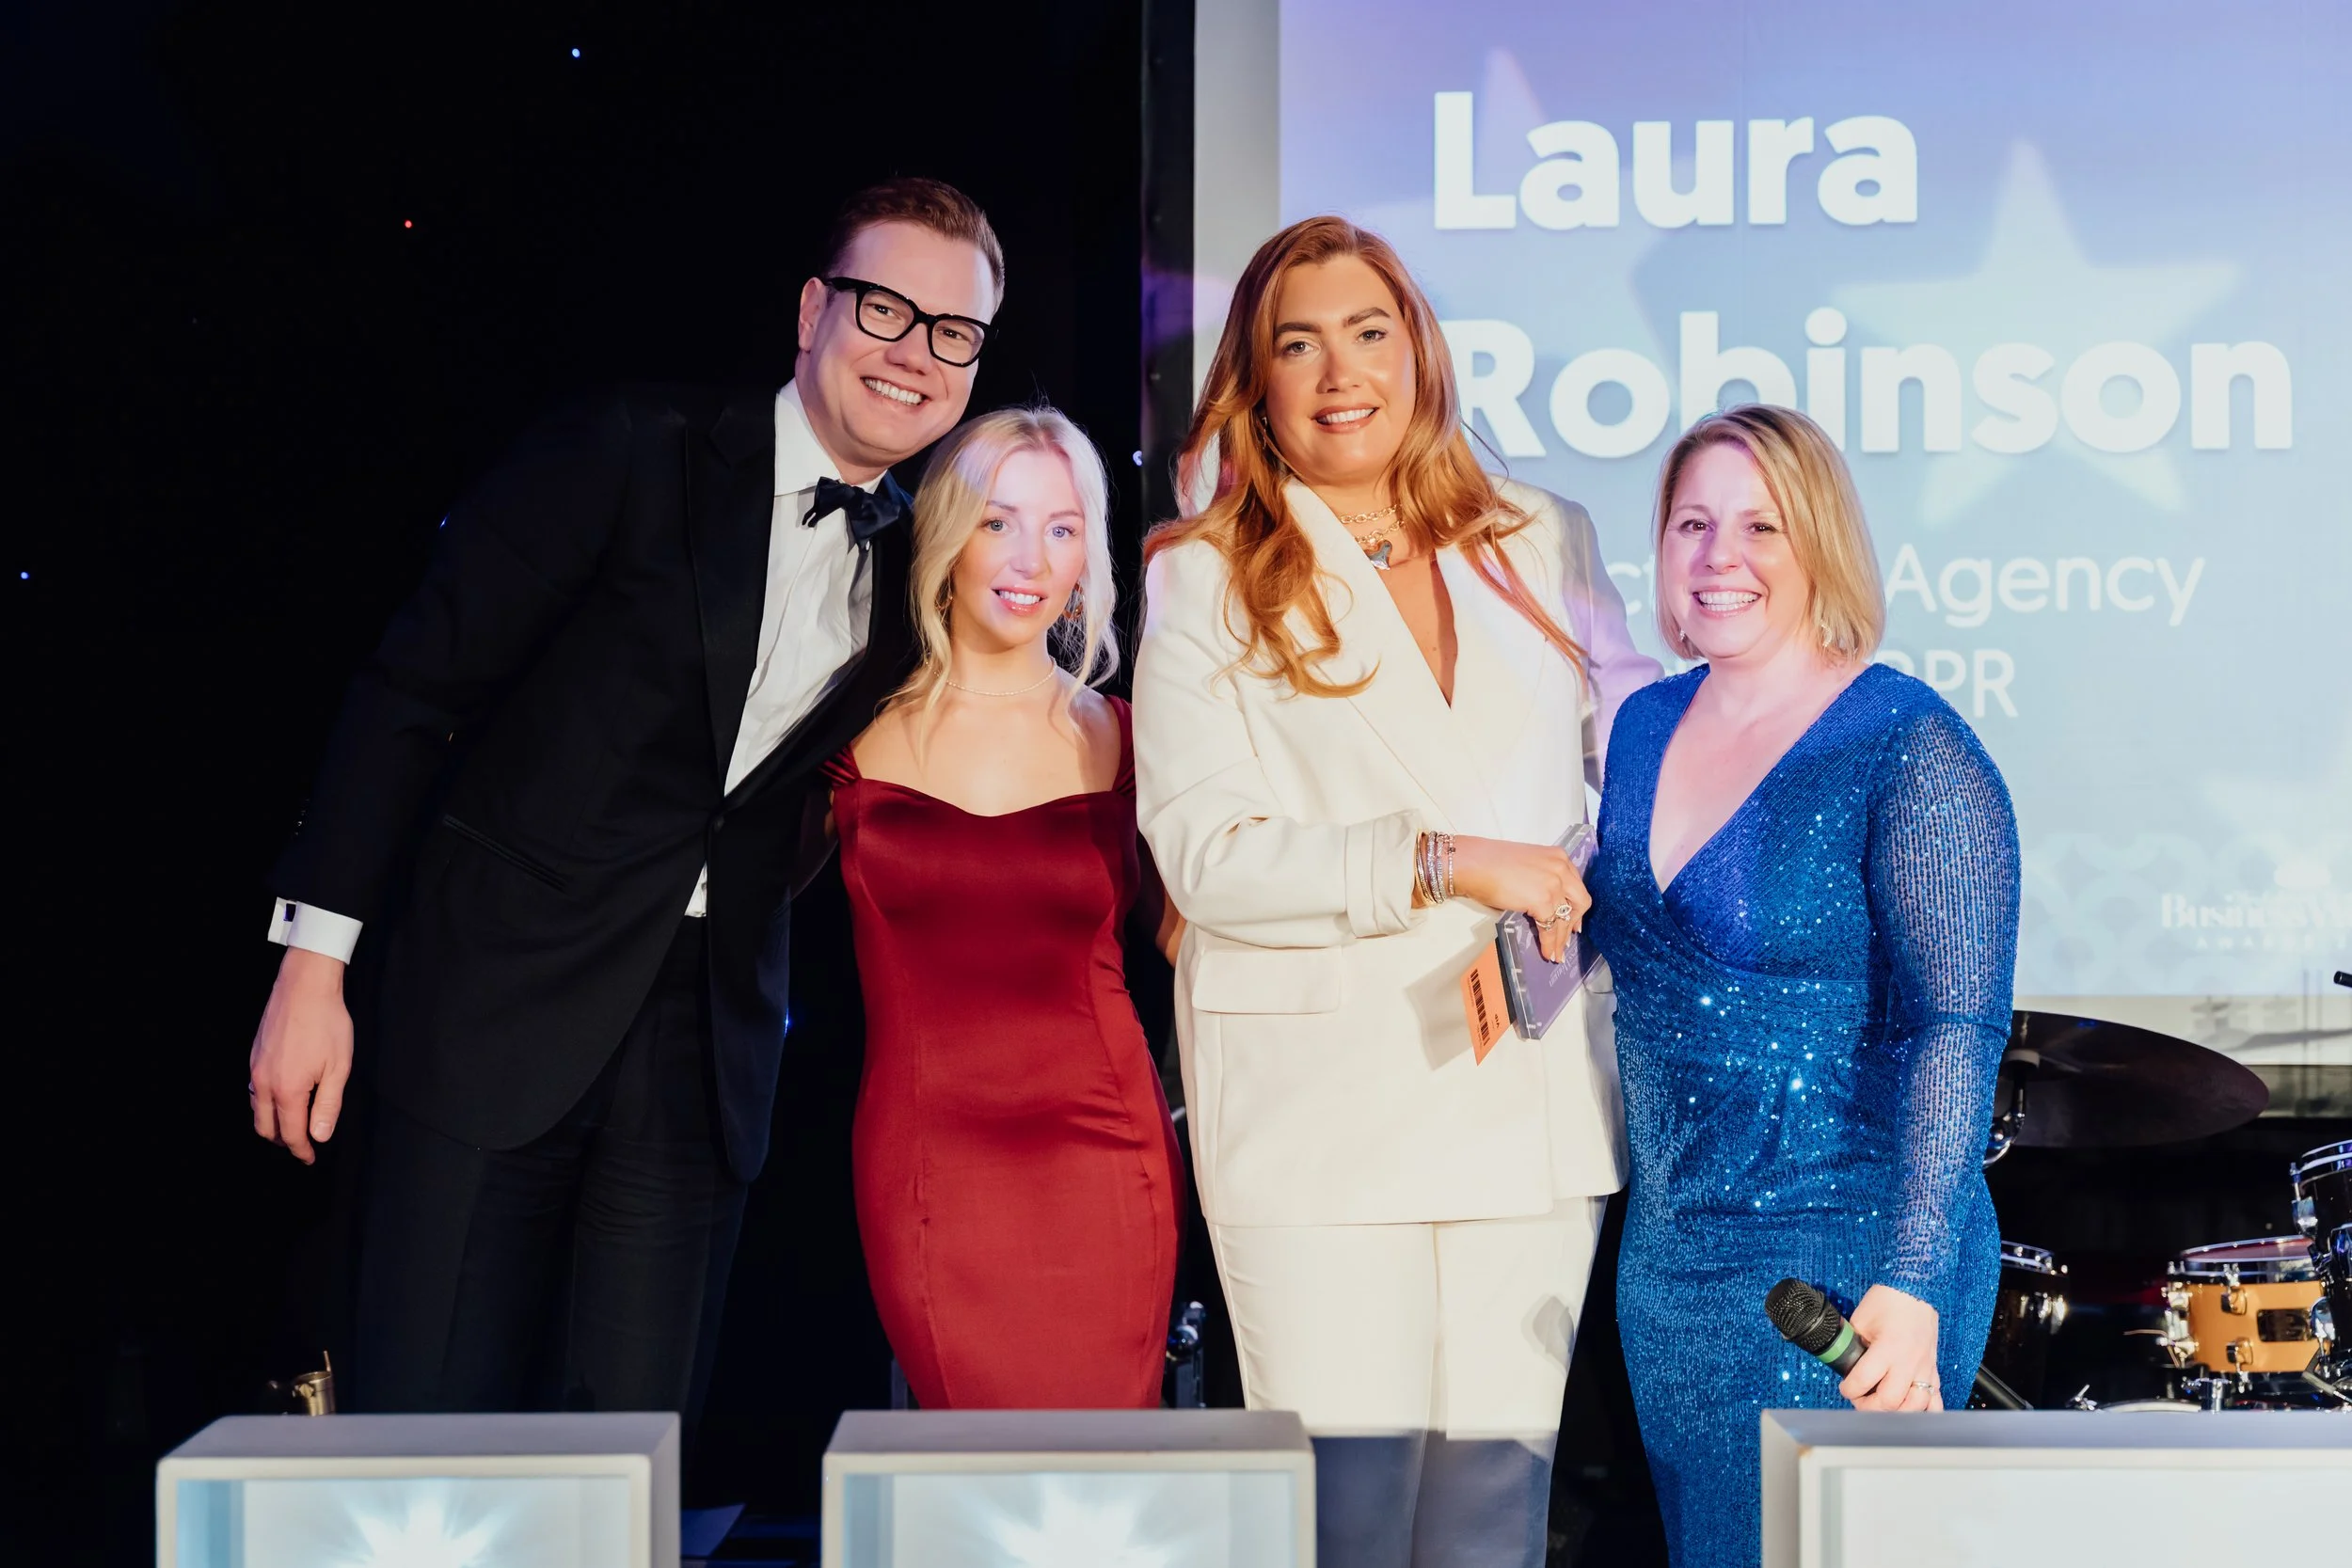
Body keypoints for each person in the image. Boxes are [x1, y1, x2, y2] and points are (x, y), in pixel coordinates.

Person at [244, 178, 1004, 1417]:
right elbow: (412, 688)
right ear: (812, 310)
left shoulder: (923, 565)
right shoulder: (632, 447)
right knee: (424, 1425)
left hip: (705, 1054)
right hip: (493, 1005)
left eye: (952, 331)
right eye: (884, 308)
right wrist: (314, 961)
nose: (914, 352)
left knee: (633, 1455)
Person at [1132, 214, 1660, 1568]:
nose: (1339, 372)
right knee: (1345, 1520)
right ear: (1256, 381)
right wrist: (1439, 858)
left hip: (1522, 1090)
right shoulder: (1206, 569)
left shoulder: (1541, 536)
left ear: (1418, 351)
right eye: (1297, 344)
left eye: (1368, 332)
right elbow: (1206, 850)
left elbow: (1639, 770)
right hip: (1318, 1112)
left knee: (1492, 1519)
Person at [1584, 405, 2019, 1568]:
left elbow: (1957, 1024)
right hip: (1670, 1264)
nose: (1717, 555)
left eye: (1759, 526)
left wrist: (1914, 1277)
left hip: (1847, 1254)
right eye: (1691, 523)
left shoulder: (1908, 741)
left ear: (1819, 541)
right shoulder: (1643, 724)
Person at [822, 406, 1184, 1409]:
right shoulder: (848, 734)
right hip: (928, 1169)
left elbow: (1196, 936)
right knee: (972, 1463)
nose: (1031, 558)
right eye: (999, 521)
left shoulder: (1128, 736)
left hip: (1106, 1161)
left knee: (1110, 1469)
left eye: (1062, 528)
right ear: (948, 533)